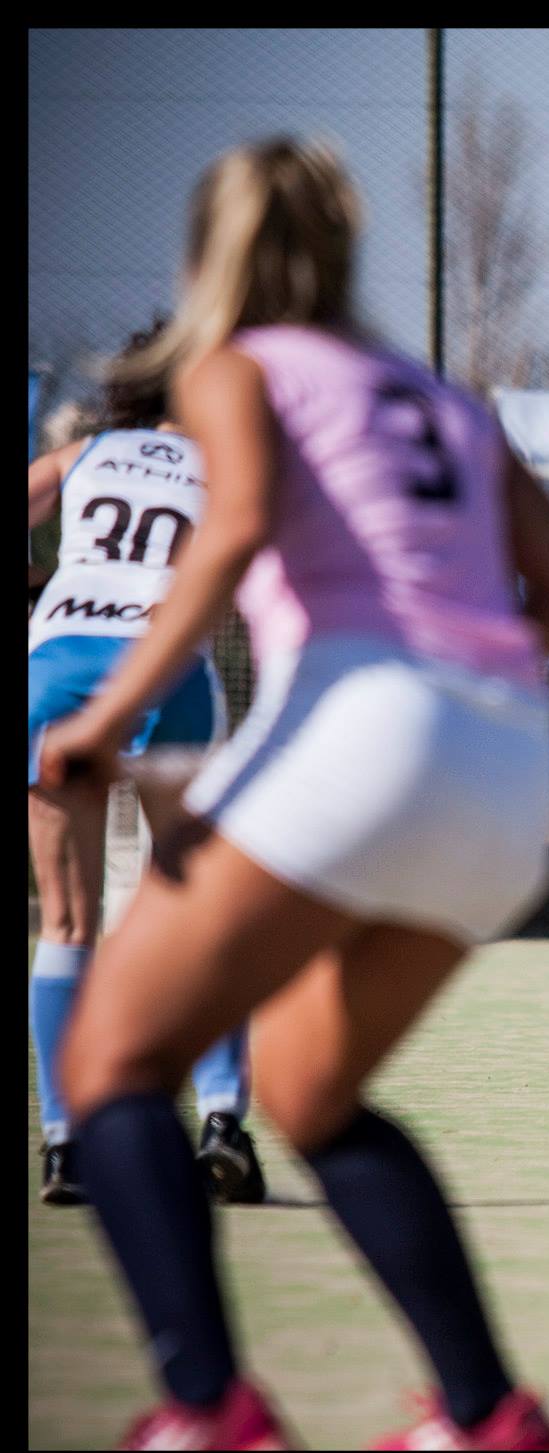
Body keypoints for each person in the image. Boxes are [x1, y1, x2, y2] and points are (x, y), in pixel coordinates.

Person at [37, 137, 549, 1450]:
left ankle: (209, 1411)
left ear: (213, 255)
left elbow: (231, 531)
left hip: (363, 735)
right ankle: (488, 1414)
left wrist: (105, 719)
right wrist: (461, 692)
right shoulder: (442, 397)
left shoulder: (232, 366)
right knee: (310, 1087)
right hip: (506, 767)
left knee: (112, 1058)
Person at [27, 322, 266, 1207]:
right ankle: (222, 1125)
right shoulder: (233, 468)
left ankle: (67, 1146)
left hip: (55, 670)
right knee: (206, 910)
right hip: (167, 672)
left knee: (66, 923)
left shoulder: (90, 451)